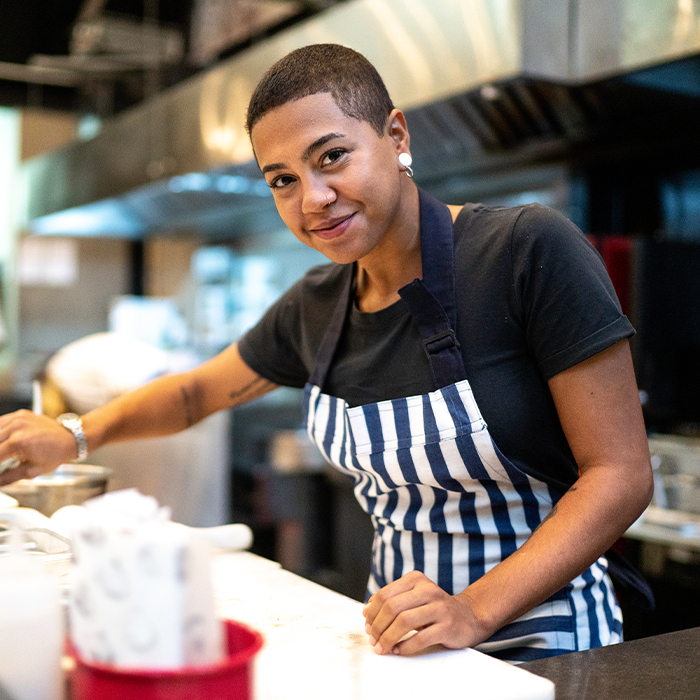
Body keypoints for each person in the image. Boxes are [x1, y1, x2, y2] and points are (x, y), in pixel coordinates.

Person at [0, 43, 652, 663]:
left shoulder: (524, 251)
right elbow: (196, 392)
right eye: (282, 179)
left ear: (396, 137)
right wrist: (75, 435)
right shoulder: (316, 305)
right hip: (404, 647)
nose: (312, 199)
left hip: (552, 647)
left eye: (332, 156)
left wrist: (474, 611)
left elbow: (620, 475)